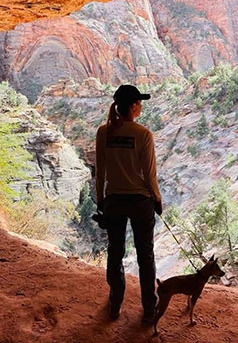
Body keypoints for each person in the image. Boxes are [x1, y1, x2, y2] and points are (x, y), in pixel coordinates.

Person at [95, 84, 162, 324]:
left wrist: (101, 199)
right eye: (139, 103)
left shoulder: (104, 132)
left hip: (113, 200)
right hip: (140, 201)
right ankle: (149, 309)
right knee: (146, 256)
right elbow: (149, 174)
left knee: (115, 252)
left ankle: (115, 303)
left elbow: (100, 171)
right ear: (133, 107)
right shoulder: (143, 134)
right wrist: (157, 199)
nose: (141, 106)